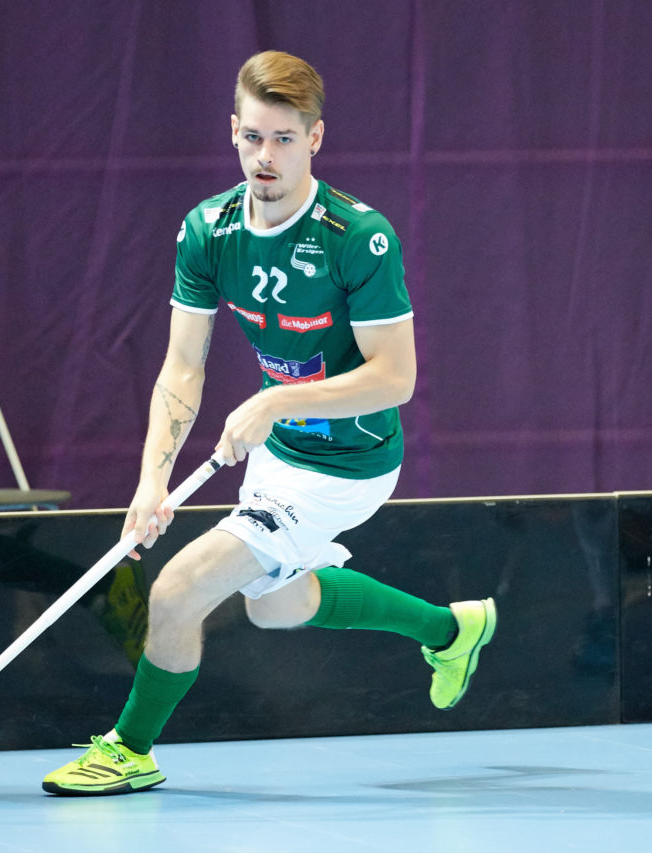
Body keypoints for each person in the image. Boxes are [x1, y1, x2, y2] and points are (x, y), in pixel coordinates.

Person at [43, 50, 496, 796]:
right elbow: (182, 367)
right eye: (253, 136)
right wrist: (152, 478)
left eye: (285, 138)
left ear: (315, 139)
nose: (266, 155)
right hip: (279, 452)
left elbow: (397, 378)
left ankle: (130, 747)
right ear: (232, 131)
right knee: (279, 607)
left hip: (351, 461)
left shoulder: (359, 236)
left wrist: (277, 399)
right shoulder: (208, 231)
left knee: (177, 590)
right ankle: (452, 631)